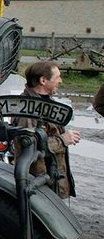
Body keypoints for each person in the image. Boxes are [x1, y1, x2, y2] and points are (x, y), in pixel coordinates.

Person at [12, 61, 81, 199]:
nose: (60, 81)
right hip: (38, 185)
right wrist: (63, 140)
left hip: (50, 180)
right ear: (43, 80)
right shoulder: (28, 109)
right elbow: (29, 145)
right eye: (57, 77)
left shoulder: (45, 103)